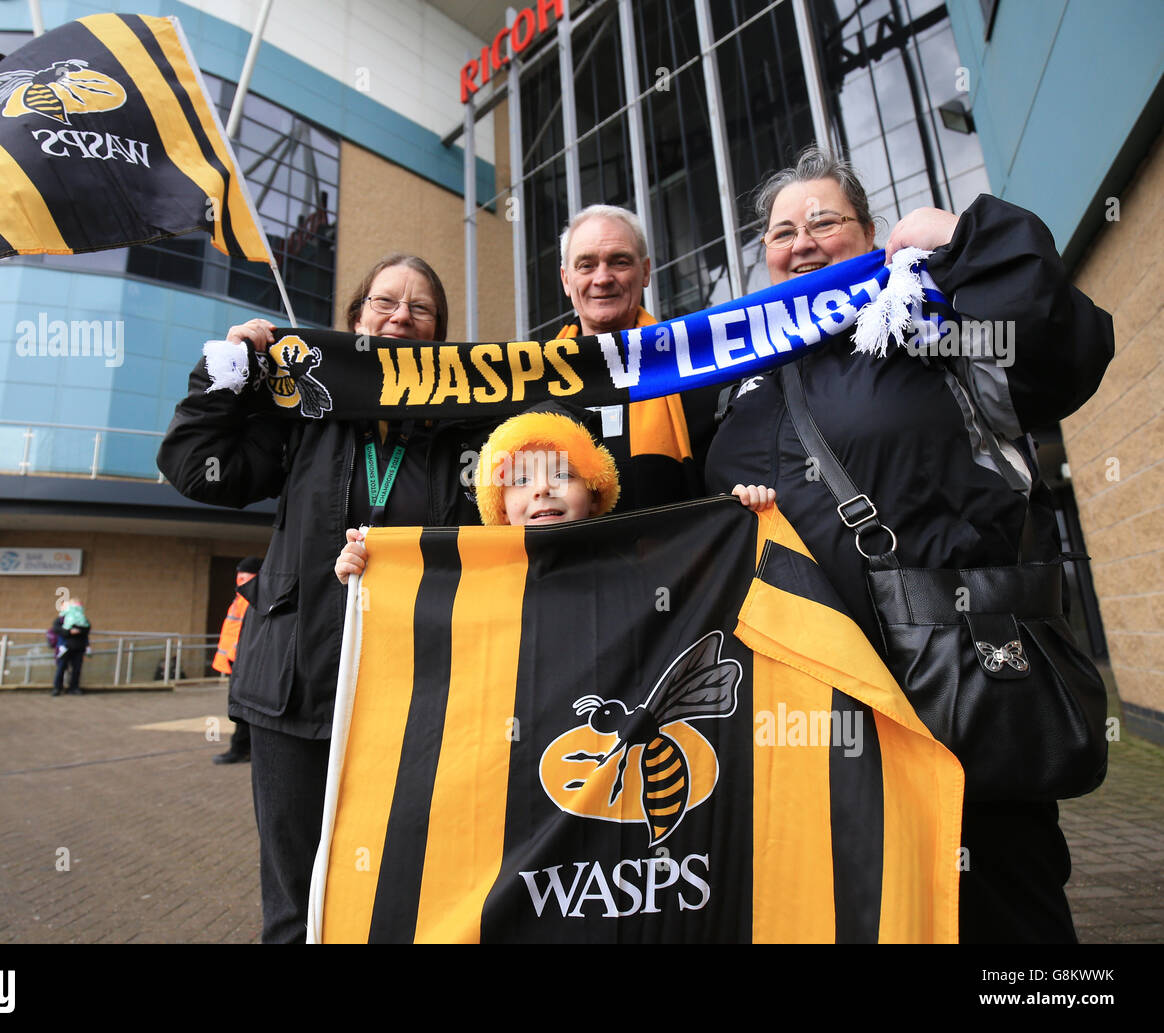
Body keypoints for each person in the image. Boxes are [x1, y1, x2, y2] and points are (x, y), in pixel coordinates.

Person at [704, 146, 1114, 943]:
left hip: (954, 695)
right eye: (783, 231)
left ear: (870, 234)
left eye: (825, 220)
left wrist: (966, 237)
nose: (803, 240)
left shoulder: (934, 328)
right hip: (817, 718)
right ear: (765, 257)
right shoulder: (740, 379)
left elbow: (1068, 343)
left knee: (1001, 911)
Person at [158, 253, 500, 943]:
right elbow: (196, 466)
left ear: (438, 337)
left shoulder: (465, 425)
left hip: (416, 693)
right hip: (294, 684)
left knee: (402, 883)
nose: (400, 315)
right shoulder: (301, 413)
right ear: (354, 321)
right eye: (383, 302)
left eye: (421, 309)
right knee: (295, 898)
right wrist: (229, 367)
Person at [335, 405, 774, 579]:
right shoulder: (473, 582)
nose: (543, 488)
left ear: (596, 488)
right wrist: (367, 576)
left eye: (562, 473)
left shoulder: (646, 570)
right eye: (521, 480)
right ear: (499, 506)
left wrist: (746, 518)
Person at [555, 205, 724, 510]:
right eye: (586, 265)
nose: (603, 278)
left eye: (619, 262)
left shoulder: (697, 369)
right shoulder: (534, 382)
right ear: (567, 280)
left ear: (645, 272)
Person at [212, 556, 262, 764]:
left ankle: (240, 749)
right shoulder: (243, 597)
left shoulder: (251, 597)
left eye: (244, 575)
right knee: (241, 710)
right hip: (237, 662)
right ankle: (243, 748)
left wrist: (238, 658)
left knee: (242, 711)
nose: (239, 579)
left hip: (243, 663)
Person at [50, 600, 91, 696]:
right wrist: (69, 632)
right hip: (65, 647)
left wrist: (78, 630)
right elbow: (56, 629)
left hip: (78, 647)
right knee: (61, 668)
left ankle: (74, 687)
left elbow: (87, 628)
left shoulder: (82, 619)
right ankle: (57, 687)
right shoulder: (61, 619)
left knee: (76, 669)